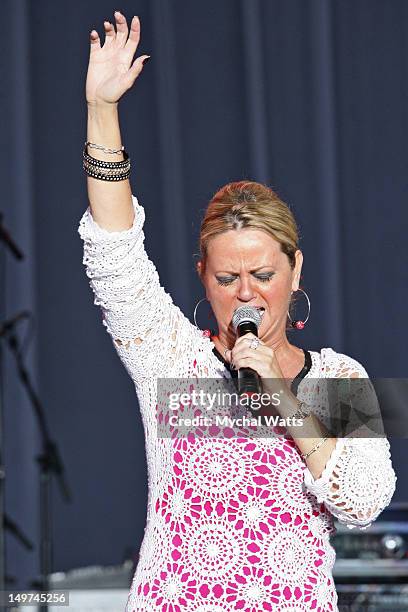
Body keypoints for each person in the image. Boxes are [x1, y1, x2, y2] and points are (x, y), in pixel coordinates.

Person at [79, 11, 397, 611]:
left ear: (295, 269)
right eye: (227, 278)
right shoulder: (171, 358)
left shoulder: (340, 378)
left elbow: (365, 499)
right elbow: (113, 253)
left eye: (263, 275)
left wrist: (285, 399)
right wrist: (102, 110)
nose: (246, 293)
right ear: (203, 275)